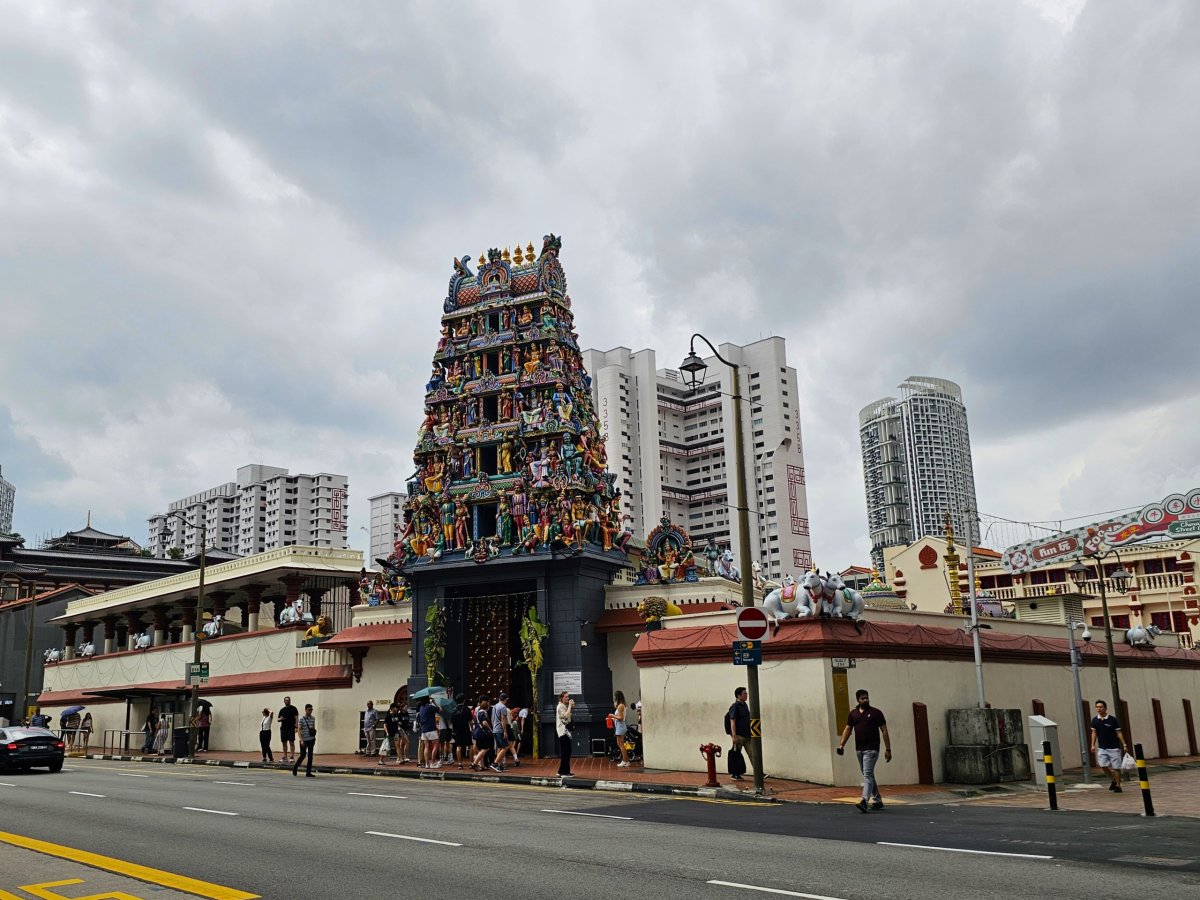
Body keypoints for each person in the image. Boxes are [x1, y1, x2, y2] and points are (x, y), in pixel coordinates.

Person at [837, 689, 892, 812]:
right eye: (863, 698)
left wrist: (888, 749)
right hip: (859, 749)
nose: (866, 700)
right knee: (868, 774)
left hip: (872, 749)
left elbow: (884, 731)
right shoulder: (853, 714)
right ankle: (877, 800)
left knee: (867, 774)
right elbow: (848, 729)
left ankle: (864, 801)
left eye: (867, 698)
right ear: (858, 700)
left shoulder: (876, 713)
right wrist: (842, 745)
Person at [1090, 700, 1128, 792]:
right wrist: (1092, 745)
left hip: (1114, 747)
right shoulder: (1095, 720)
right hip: (1102, 747)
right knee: (1103, 765)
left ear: (1105, 708)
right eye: (1097, 707)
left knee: (1116, 767)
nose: (1099, 709)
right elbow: (1094, 732)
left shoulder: (1112, 719)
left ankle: (1118, 786)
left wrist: (1124, 744)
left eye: (1101, 707)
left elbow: (1118, 732)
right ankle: (1113, 779)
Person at [726, 687, 751, 782]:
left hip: (747, 735)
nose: (746, 695)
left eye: (746, 693)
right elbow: (732, 721)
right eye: (744, 694)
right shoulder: (734, 706)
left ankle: (759, 773)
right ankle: (735, 774)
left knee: (752, 754)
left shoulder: (745, 706)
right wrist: (734, 736)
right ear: (738, 695)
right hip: (739, 735)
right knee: (736, 754)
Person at [293, 703, 317, 777]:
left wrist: (314, 737)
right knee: (303, 755)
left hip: (311, 739)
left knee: (310, 756)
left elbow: (313, 728)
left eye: (311, 709)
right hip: (304, 740)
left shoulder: (313, 718)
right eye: (309, 709)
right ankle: (295, 767)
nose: (311, 711)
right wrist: (301, 740)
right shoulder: (301, 719)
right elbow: (299, 730)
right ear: (305, 710)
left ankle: (308, 772)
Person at [470, 696, 493, 771]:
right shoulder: (483, 712)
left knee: (480, 750)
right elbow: (484, 723)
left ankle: (482, 766)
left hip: (476, 732)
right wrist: (490, 729)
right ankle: (474, 763)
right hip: (482, 733)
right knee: (485, 749)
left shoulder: (477, 712)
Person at [490, 692, 512, 772]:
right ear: (505, 699)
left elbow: (492, 719)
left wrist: (494, 727)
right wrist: (505, 731)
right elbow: (503, 720)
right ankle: (495, 763)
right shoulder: (503, 707)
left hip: (495, 729)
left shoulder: (494, 706)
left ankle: (500, 766)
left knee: (499, 747)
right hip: (500, 730)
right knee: (506, 747)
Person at [556, 691, 575, 777]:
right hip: (563, 732)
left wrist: (571, 706)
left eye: (568, 696)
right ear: (561, 698)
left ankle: (564, 771)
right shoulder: (560, 706)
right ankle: (563, 772)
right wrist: (570, 706)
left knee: (567, 752)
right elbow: (566, 716)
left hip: (566, 732)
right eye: (566, 697)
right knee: (565, 752)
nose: (568, 698)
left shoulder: (564, 706)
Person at [416, 698, 439, 768]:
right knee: (435, 745)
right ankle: (433, 763)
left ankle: (427, 764)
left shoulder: (421, 708)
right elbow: (440, 709)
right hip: (431, 729)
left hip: (424, 730)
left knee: (426, 747)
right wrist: (434, 702)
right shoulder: (430, 707)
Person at [451, 695, 472, 769]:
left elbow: (452, 722)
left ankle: (460, 764)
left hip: (457, 730)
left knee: (458, 747)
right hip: (466, 729)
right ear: (464, 700)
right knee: (470, 746)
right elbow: (470, 721)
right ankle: (471, 763)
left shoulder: (453, 710)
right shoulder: (467, 709)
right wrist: (472, 729)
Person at [279, 696, 299, 764]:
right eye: (286, 700)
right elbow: (278, 719)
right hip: (283, 729)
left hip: (291, 728)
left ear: (290, 701)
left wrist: (296, 727)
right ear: (284, 701)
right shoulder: (282, 710)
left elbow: (296, 717)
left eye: (288, 700)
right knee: (284, 743)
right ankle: (285, 756)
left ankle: (292, 757)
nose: (287, 701)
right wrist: (280, 719)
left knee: (291, 742)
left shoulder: (294, 708)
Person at [612, 690, 630, 767]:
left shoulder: (620, 706)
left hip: (620, 726)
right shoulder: (622, 705)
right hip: (619, 726)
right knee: (619, 743)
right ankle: (625, 760)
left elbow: (621, 718)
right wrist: (613, 718)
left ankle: (625, 761)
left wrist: (612, 716)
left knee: (621, 744)